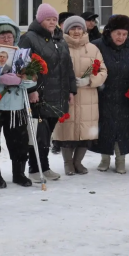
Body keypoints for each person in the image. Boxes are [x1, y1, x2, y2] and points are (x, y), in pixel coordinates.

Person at [19, 4, 76, 182]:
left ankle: (44, 166)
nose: (52, 22)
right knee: (38, 134)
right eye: (48, 19)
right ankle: (35, 169)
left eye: (54, 19)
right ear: (40, 20)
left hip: (58, 94)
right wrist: (31, 89)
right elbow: (23, 66)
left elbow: (68, 67)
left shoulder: (59, 39)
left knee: (48, 133)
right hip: (40, 95)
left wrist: (71, 90)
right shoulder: (29, 38)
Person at [0, 15, 37, 187]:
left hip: (16, 106)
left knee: (19, 142)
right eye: (2, 35)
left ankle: (19, 173)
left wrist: (20, 81)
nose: (6, 38)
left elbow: (32, 79)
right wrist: (0, 79)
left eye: (9, 35)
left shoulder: (22, 54)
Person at [52, 16, 107, 175]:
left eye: (79, 28)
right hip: (66, 96)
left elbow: (103, 71)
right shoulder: (59, 47)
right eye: (72, 28)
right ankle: (68, 163)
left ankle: (78, 162)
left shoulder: (93, 49)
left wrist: (90, 81)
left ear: (84, 30)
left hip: (87, 96)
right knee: (66, 130)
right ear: (66, 30)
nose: (76, 31)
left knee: (85, 131)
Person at [91, 15, 129, 173]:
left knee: (123, 128)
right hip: (104, 94)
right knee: (105, 127)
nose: (121, 37)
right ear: (110, 32)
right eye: (118, 34)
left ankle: (120, 159)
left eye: (124, 34)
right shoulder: (97, 46)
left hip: (125, 95)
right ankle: (105, 158)